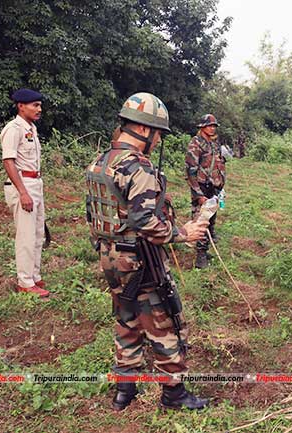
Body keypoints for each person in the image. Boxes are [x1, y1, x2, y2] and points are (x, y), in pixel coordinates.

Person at [85, 92, 210, 411]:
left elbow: (94, 212)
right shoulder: (137, 166)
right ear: (144, 129)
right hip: (140, 258)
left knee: (126, 319)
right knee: (163, 320)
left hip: (110, 256)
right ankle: (174, 393)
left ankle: (124, 389)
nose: (157, 141)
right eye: (158, 134)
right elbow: (144, 220)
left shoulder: (101, 161)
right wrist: (183, 233)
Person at [0, 88, 49, 297]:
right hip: (23, 184)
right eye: (34, 105)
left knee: (38, 233)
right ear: (21, 106)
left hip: (35, 182)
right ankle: (25, 282)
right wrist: (23, 193)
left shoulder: (31, 128)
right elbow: (8, 161)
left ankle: (34, 276)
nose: (39, 109)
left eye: (39, 105)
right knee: (26, 236)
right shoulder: (14, 129)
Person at [184, 114, 227, 269]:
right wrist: (198, 194)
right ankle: (200, 257)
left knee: (211, 218)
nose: (212, 128)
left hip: (214, 186)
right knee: (201, 220)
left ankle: (205, 249)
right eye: (210, 125)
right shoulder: (195, 144)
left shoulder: (214, 144)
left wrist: (221, 185)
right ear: (202, 127)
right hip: (201, 187)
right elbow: (190, 171)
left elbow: (220, 164)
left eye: (214, 125)